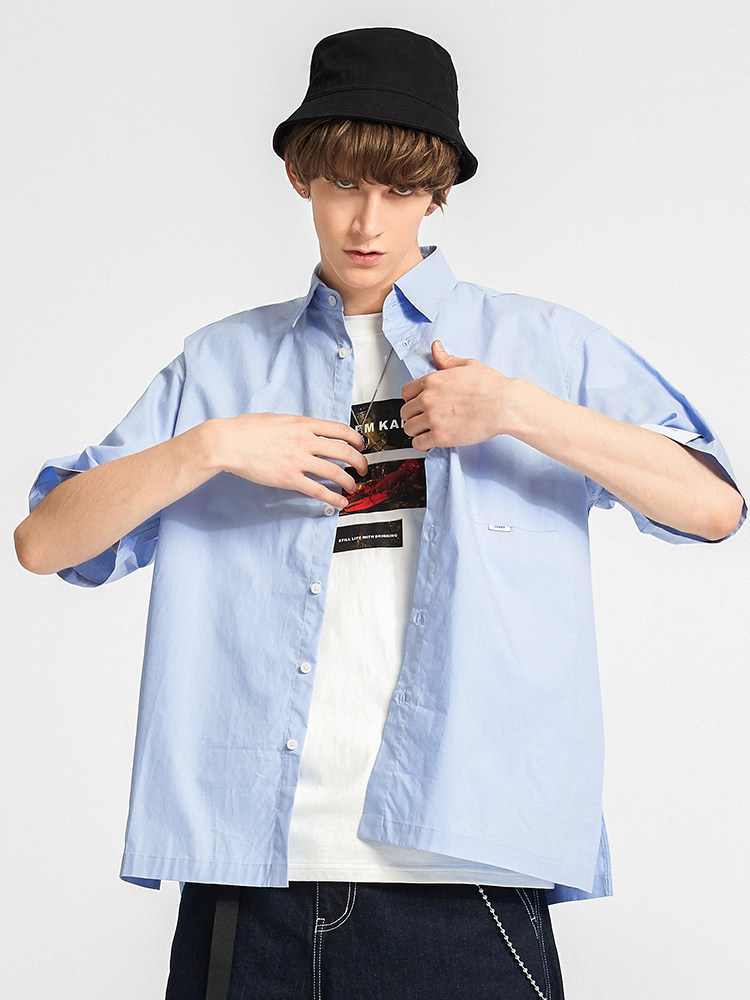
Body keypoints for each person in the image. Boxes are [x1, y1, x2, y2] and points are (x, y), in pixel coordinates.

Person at [14, 25, 744, 1000]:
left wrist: (517, 409)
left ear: (438, 192)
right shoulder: (222, 364)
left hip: (465, 876)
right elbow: (46, 540)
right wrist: (211, 447)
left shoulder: (534, 343)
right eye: (344, 184)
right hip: (248, 878)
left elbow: (713, 506)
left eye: (400, 190)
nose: (368, 220)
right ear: (299, 179)